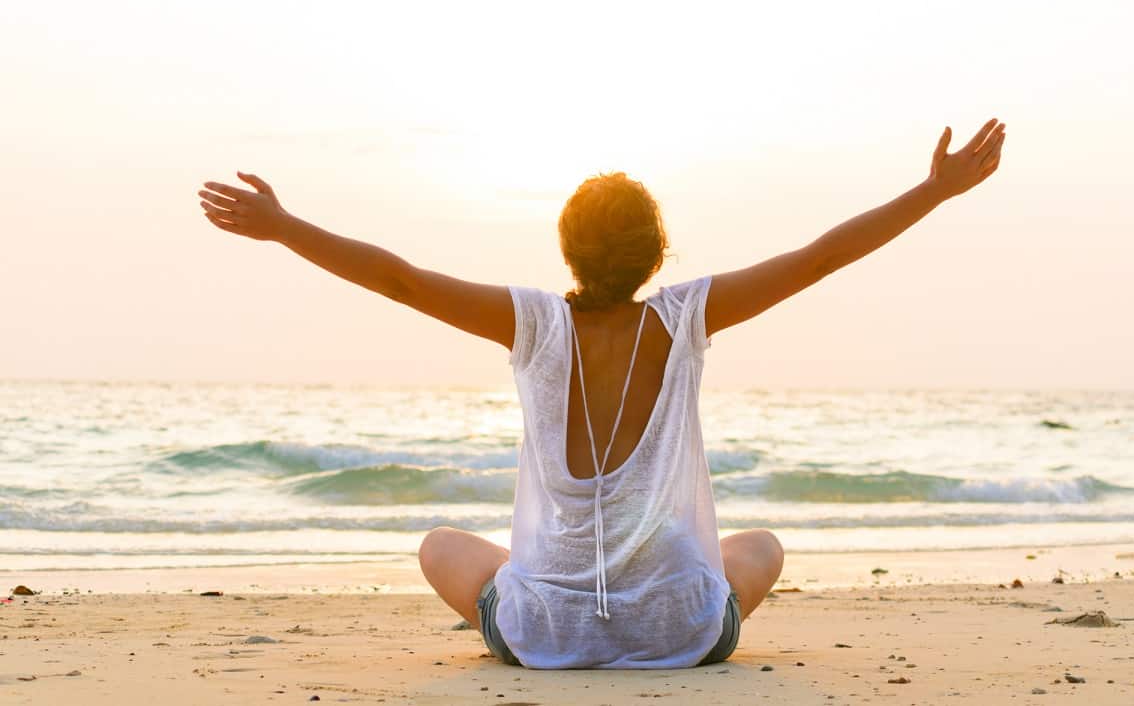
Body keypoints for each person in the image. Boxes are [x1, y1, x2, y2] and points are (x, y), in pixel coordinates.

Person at [197, 118, 1006, 668]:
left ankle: (554, 586)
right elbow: (820, 256)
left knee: (440, 545)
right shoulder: (687, 316)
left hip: (539, 633)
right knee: (761, 547)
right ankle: (596, 589)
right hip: (682, 633)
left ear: (568, 250)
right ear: (657, 253)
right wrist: (933, 191)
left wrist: (284, 226)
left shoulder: (532, 322)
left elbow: (401, 281)